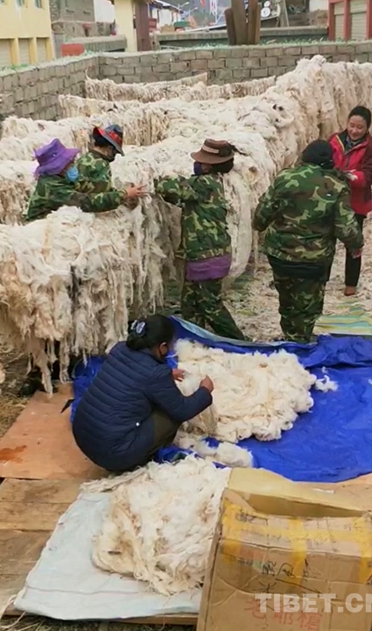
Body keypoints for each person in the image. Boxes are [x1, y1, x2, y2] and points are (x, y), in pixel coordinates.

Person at [253, 140, 364, 344]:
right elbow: (346, 228)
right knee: (306, 310)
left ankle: (289, 339)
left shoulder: (284, 178)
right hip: (313, 261)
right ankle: (299, 345)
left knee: (287, 303)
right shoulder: (337, 186)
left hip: (280, 256)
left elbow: (260, 217)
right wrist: (356, 246)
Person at [72, 315, 214, 473]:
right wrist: (205, 391)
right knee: (170, 414)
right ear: (162, 347)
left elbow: (134, 373)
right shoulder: (156, 373)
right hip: (113, 454)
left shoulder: (119, 349)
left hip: (83, 436)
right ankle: (140, 458)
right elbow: (182, 409)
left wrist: (166, 376)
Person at [155, 139, 246, 341]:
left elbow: (170, 187)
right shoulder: (207, 184)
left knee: (210, 306)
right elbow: (181, 198)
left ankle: (239, 341)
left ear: (207, 166)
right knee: (190, 303)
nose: (197, 164)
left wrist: (158, 177)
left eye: (201, 161)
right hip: (199, 254)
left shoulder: (205, 183)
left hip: (208, 255)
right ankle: (195, 340)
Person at [25, 138, 145, 222]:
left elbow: (88, 186)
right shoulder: (52, 188)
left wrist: (118, 194)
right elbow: (86, 202)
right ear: (59, 167)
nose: (73, 165)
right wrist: (124, 194)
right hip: (42, 233)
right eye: (70, 163)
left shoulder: (63, 177)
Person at [329, 106, 372, 296]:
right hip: (331, 199)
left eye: (360, 127)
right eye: (352, 125)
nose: (354, 130)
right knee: (326, 241)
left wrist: (352, 176)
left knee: (353, 243)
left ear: (367, 128)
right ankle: (321, 279)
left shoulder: (371, 148)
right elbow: (324, 160)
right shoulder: (335, 140)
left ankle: (351, 284)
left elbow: (371, 174)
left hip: (355, 203)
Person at [76, 124, 124, 195]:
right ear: (110, 148)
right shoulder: (102, 165)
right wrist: (125, 194)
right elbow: (103, 196)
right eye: (115, 153)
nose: (114, 157)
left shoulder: (83, 158)